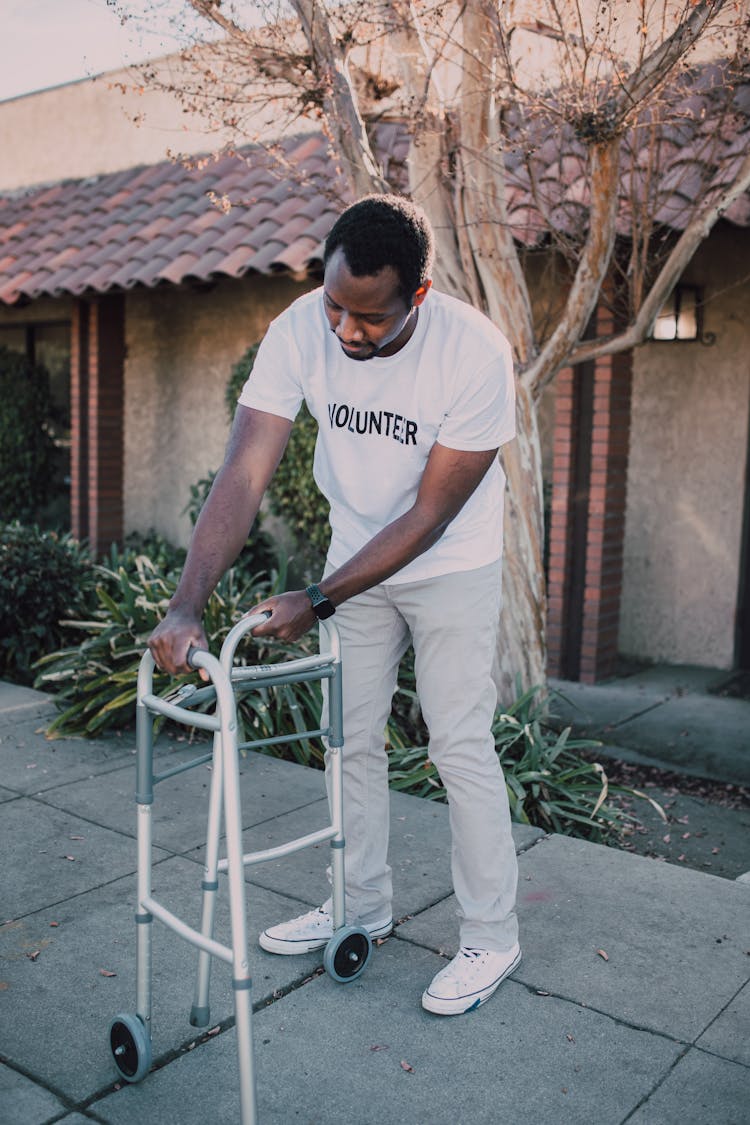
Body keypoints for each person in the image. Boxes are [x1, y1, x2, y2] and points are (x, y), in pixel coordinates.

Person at [148, 194, 520, 1016]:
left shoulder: (475, 355)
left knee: (458, 742)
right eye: (335, 306)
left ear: (416, 296)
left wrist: (317, 596)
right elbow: (244, 471)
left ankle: (491, 936)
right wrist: (184, 605)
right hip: (354, 557)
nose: (347, 333)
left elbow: (429, 516)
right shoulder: (299, 329)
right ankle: (360, 905)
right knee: (348, 739)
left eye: (370, 319)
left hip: (450, 564)